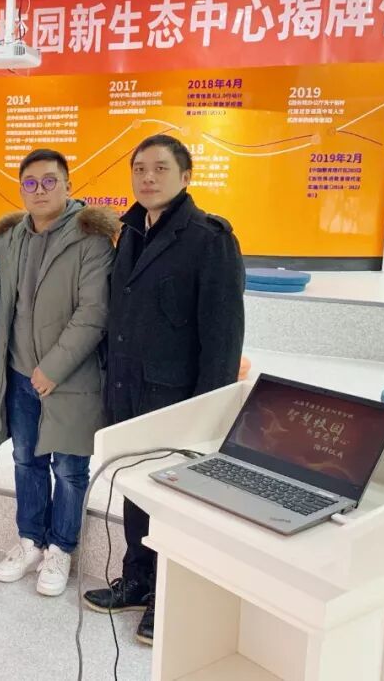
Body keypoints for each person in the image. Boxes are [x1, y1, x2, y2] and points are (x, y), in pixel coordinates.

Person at [83, 134, 245, 645]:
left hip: (176, 399)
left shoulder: (209, 239)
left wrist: (208, 414)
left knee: (173, 498)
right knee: (135, 488)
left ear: (185, 176)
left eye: (159, 168)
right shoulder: (131, 230)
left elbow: (222, 337)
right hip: (128, 392)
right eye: (139, 169)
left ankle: (167, 596)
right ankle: (136, 580)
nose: (148, 178)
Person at [0, 148, 118, 597]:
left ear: (68, 184)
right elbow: (5, 305)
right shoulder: (12, 238)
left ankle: (61, 548)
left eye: (49, 181)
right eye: (30, 183)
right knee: (25, 460)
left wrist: (53, 368)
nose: (40, 190)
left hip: (70, 378)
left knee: (68, 468)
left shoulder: (91, 240)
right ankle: (30, 541)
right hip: (19, 373)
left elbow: (94, 313)